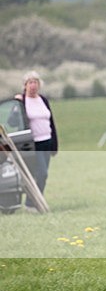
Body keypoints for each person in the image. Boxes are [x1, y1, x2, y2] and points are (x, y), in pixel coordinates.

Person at [15, 71, 58, 211]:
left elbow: (50, 122)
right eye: (30, 83)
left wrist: (54, 144)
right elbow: (13, 121)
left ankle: (35, 201)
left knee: (43, 175)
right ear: (25, 85)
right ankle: (31, 203)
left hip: (47, 140)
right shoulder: (22, 101)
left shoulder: (43, 100)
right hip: (33, 144)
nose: (33, 85)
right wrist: (17, 105)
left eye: (35, 82)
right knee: (41, 173)